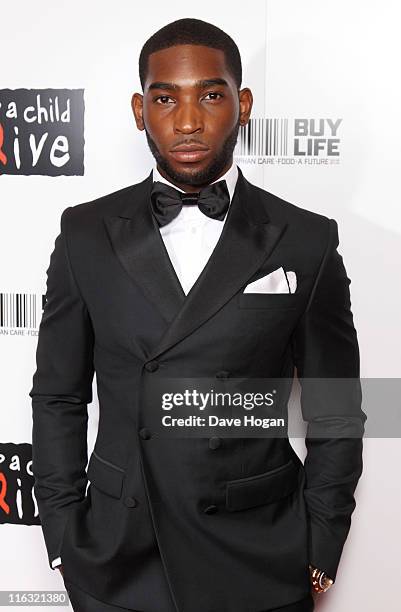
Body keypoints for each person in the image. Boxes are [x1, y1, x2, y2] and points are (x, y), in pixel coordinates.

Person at [29, 17, 366, 612]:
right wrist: (62, 530)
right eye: (165, 98)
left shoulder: (306, 240)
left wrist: (321, 543)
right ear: (140, 110)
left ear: (243, 104)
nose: (187, 122)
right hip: (119, 558)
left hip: (259, 556)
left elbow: (337, 408)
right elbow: (57, 394)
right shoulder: (84, 233)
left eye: (210, 95)